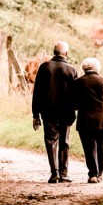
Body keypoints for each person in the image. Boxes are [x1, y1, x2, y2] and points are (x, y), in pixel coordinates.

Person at [32, 41, 78, 184]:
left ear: (54, 52)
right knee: (64, 141)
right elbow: (76, 95)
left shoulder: (45, 67)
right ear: (66, 54)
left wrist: (35, 114)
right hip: (66, 112)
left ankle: (54, 173)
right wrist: (75, 110)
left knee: (51, 141)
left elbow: (37, 93)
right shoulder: (72, 70)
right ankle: (64, 174)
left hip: (48, 111)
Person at [73, 57, 103, 183]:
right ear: (97, 68)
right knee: (101, 146)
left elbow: (74, 103)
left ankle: (92, 174)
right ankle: (100, 173)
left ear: (84, 68)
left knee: (89, 148)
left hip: (85, 120)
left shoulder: (78, 82)